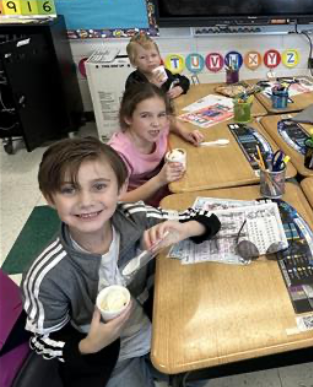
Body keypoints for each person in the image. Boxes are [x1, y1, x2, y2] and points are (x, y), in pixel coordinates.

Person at [21, 137, 221, 387]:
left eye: (99, 186)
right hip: (106, 359)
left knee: (201, 368)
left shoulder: (135, 218)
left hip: (156, 326)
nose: (86, 201)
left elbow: (207, 216)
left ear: (121, 187)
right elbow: (43, 338)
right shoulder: (47, 276)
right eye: (69, 190)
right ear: (50, 198)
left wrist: (184, 229)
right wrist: (90, 344)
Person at [109, 84, 204, 207]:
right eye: (145, 116)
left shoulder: (160, 126)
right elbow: (118, 200)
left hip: (168, 190)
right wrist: (159, 180)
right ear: (128, 118)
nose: (156, 123)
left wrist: (185, 132)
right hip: (142, 206)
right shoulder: (119, 154)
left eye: (161, 115)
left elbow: (171, 122)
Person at [125, 33, 190, 99]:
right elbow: (134, 102)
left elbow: (184, 80)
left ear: (159, 56)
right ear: (133, 62)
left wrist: (179, 88)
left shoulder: (164, 72)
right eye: (142, 57)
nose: (150, 60)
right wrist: (153, 87)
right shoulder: (133, 80)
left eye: (153, 55)